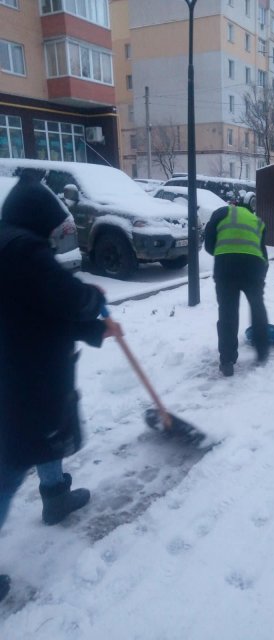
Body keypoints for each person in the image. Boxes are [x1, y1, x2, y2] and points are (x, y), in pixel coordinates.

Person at [0, 169, 122, 602]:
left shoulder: (9, 243)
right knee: (12, 462)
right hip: (23, 377)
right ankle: (52, 494)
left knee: (45, 434)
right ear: (36, 218)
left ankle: (55, 495)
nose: (55, 237)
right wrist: (91, 300)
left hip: (24, 366)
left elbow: (43, 308)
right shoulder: (24, 250)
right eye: (53, 227)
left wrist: (92, 330)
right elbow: (66, 296)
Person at [204, 198, 269, 376]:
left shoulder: (222, 212)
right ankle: (262, 353)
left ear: (235, 205)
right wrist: (260, 277)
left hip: (226, 265)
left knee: (227, 311)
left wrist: (223, 251)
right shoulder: (258, 221)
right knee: (257, 306)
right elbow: (264, 254)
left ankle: (227, 360)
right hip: (253, 266)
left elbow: (208, 243)